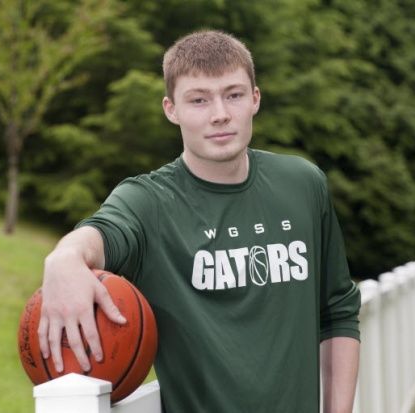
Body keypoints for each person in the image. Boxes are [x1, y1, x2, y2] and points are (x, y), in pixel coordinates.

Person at [38, 30, 360, 413]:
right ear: (171, 109)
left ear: (255, 99)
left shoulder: (303, 185)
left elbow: (337, 311)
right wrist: (64, 259)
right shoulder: (148, 202)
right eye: (199, 100)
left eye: (234, 95)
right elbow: (100, 233)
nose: (220, 113)